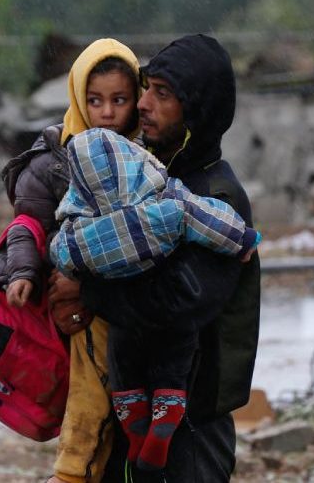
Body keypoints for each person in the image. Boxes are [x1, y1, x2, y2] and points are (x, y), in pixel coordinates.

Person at [72, 34, 260, 482]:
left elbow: (179, 302)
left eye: (163, 93)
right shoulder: (145, 174)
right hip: (136, 408)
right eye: (145, 88)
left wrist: (86, 287)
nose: (141, 104)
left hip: (191, 420)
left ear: (196, 109)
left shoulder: (215, 197)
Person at [0, 38, 141, 483]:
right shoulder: (57, 157)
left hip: (135, 305)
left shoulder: (148, 154)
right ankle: (71, 472)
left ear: (137, 99)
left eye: (120, 100)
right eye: (95, 101)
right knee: (90, 395)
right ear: (78, 98)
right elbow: (28, 225)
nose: (108, 113)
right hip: (80, 307)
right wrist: (22, 272)